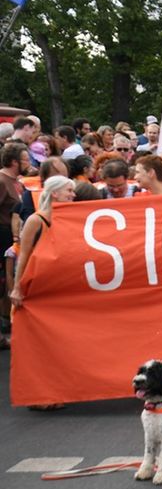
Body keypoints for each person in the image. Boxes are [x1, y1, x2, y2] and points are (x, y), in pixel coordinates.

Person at [9, 174, 75, 410]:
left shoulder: (69, 219)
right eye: (69, 191)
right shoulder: (36, 221)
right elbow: (23, 255)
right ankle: (38, 397)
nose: (73, 195)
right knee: (37, 346)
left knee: (56, 344)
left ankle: (53, 391)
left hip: (56, 290)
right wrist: (17, 288)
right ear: (55, 193)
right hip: (35, 290)